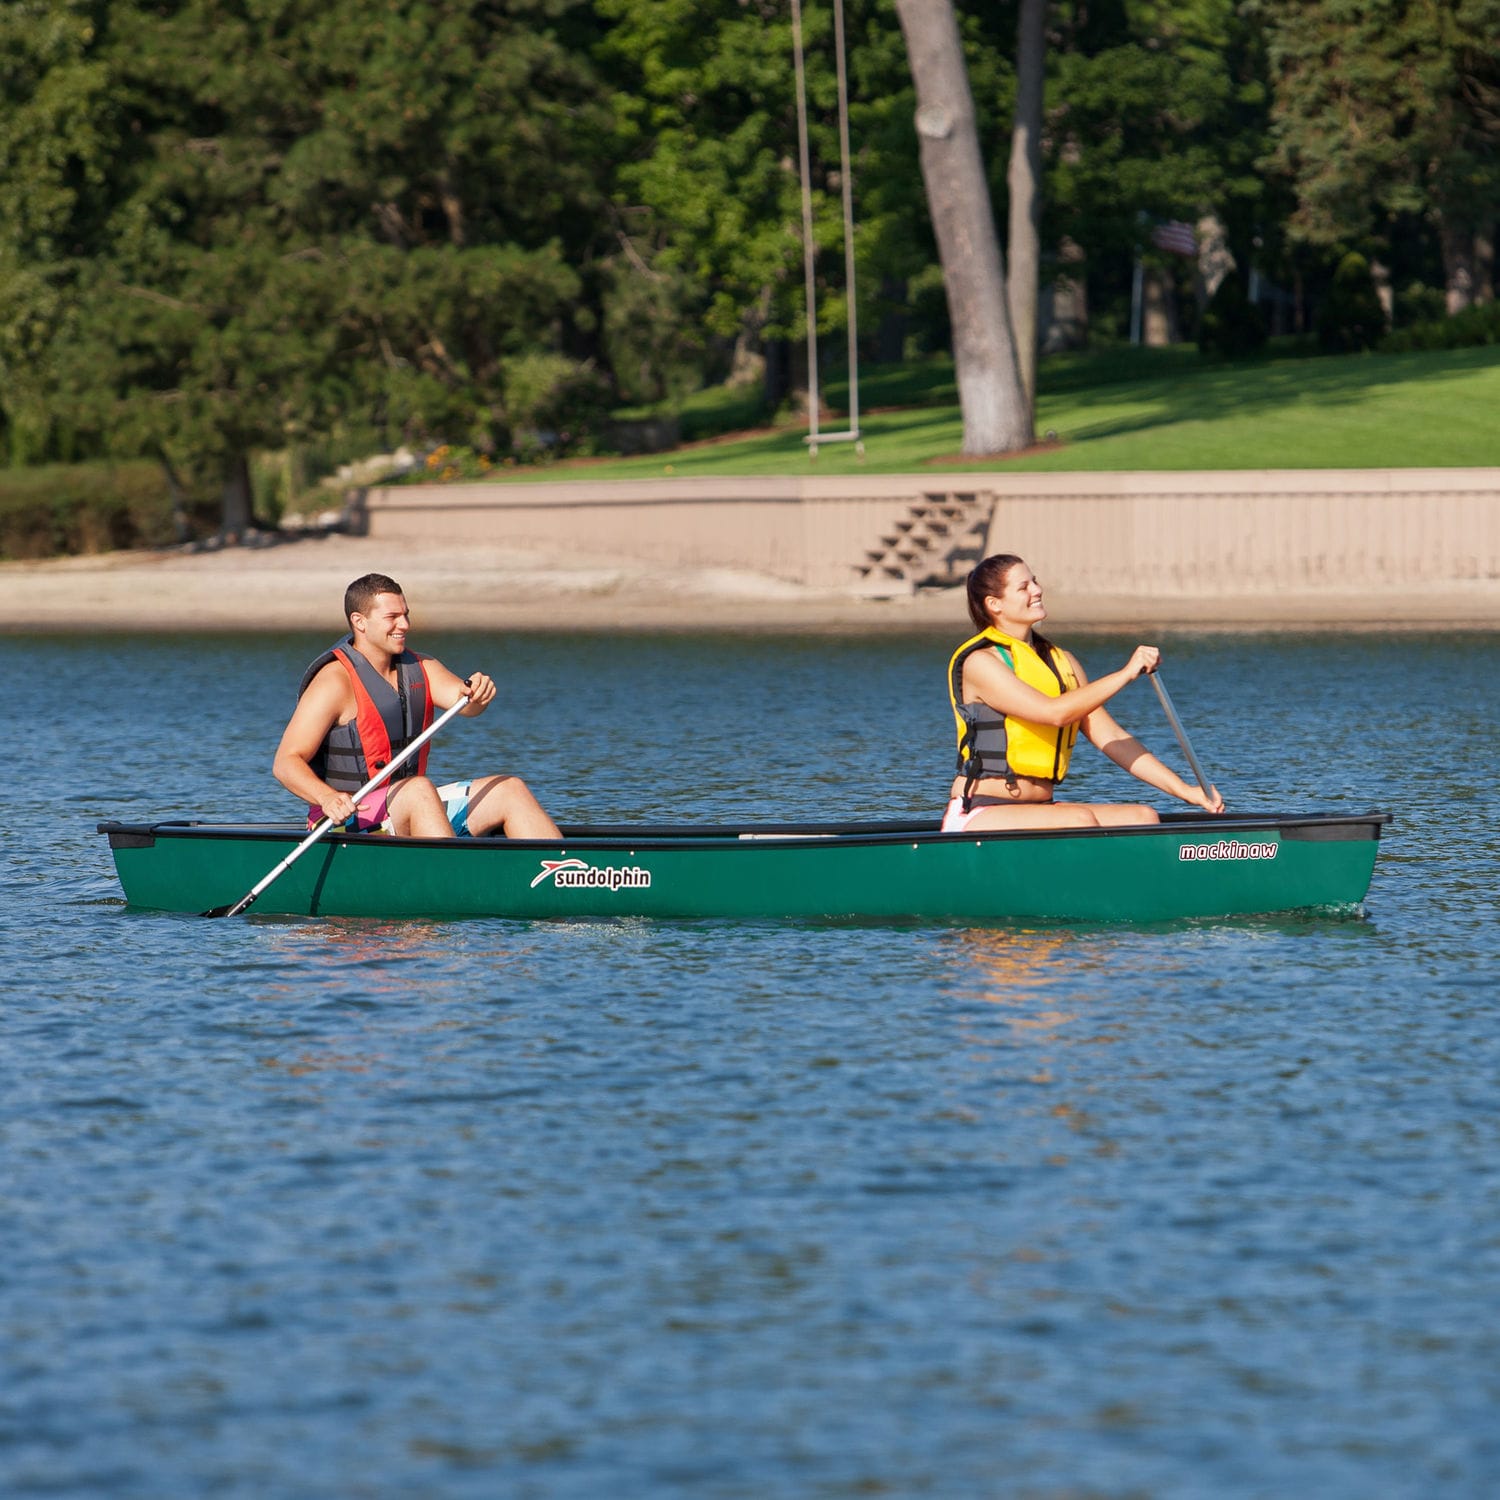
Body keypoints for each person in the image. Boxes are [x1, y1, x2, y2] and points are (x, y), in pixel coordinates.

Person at [942, 553, 1225, 832]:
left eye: (1035, 582)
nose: (1037, 590)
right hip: (981, 809)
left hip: (1041, 808)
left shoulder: (1062, 662)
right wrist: (1126, 673)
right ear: (994, 604)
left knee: (1143, 817)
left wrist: (1185, 790)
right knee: (1079, 822)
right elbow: (1054, 713)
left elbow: (1111, 737)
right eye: (1023, 587)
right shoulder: (980, 662)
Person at [273, 572, 561, 839]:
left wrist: (478, 695)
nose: (405, 625)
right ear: (360, 622)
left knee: (508, 789)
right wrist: (326, 798)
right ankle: (454, 884)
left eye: (406, 615)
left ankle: (567, 877)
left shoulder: (421, 667)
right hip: (346, 822)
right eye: (392, 617)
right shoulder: (333, 682)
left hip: (408, 804)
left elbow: (466, 704)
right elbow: (286, 762)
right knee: (419, 790)